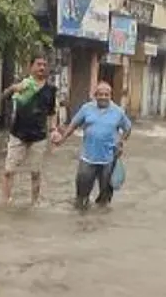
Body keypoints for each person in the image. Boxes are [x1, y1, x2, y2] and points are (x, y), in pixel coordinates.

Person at [52, 81, 131, 210]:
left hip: (109, 160)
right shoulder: (86, 108)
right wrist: (62, 140)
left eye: (106, 94)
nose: (103, 97)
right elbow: (73, 125)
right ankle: (81, 221)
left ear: (111, 96)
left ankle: (100, 224)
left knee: (105, 197)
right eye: (100, 94)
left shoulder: (118, 112)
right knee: (81, 196)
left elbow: (128, 128)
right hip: (88, 158)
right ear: (95, 95)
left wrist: (121, 143)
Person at [1, 55, 58, 205]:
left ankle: (34, 203)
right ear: (30, 66)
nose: (42, 68)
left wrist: (53, 129)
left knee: (35, 172)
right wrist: (14, 88)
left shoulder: (50, 89)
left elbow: (52, 112)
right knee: (8, 171)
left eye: (45, 65)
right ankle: (6, 202)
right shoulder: (22, 84)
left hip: (39, 136)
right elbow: (3, 97)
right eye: (39, 64)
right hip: (17, 134)